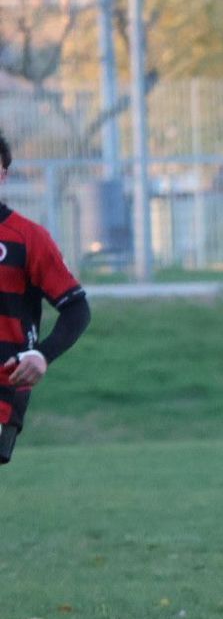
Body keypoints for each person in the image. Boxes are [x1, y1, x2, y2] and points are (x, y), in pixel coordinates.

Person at [0, 131, 90, 465]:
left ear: (4, 174)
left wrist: (41, 355)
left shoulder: (28, 238)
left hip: (4, 387)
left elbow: (76, 308)